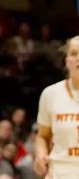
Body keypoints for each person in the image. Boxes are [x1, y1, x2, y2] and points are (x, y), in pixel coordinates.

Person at [35, 35, 79, 178]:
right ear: (67, 61)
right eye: (73, 54)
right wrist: (41, 155)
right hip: (60, 172)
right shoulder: (51, 94)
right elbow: (43, 136)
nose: (78, 58)